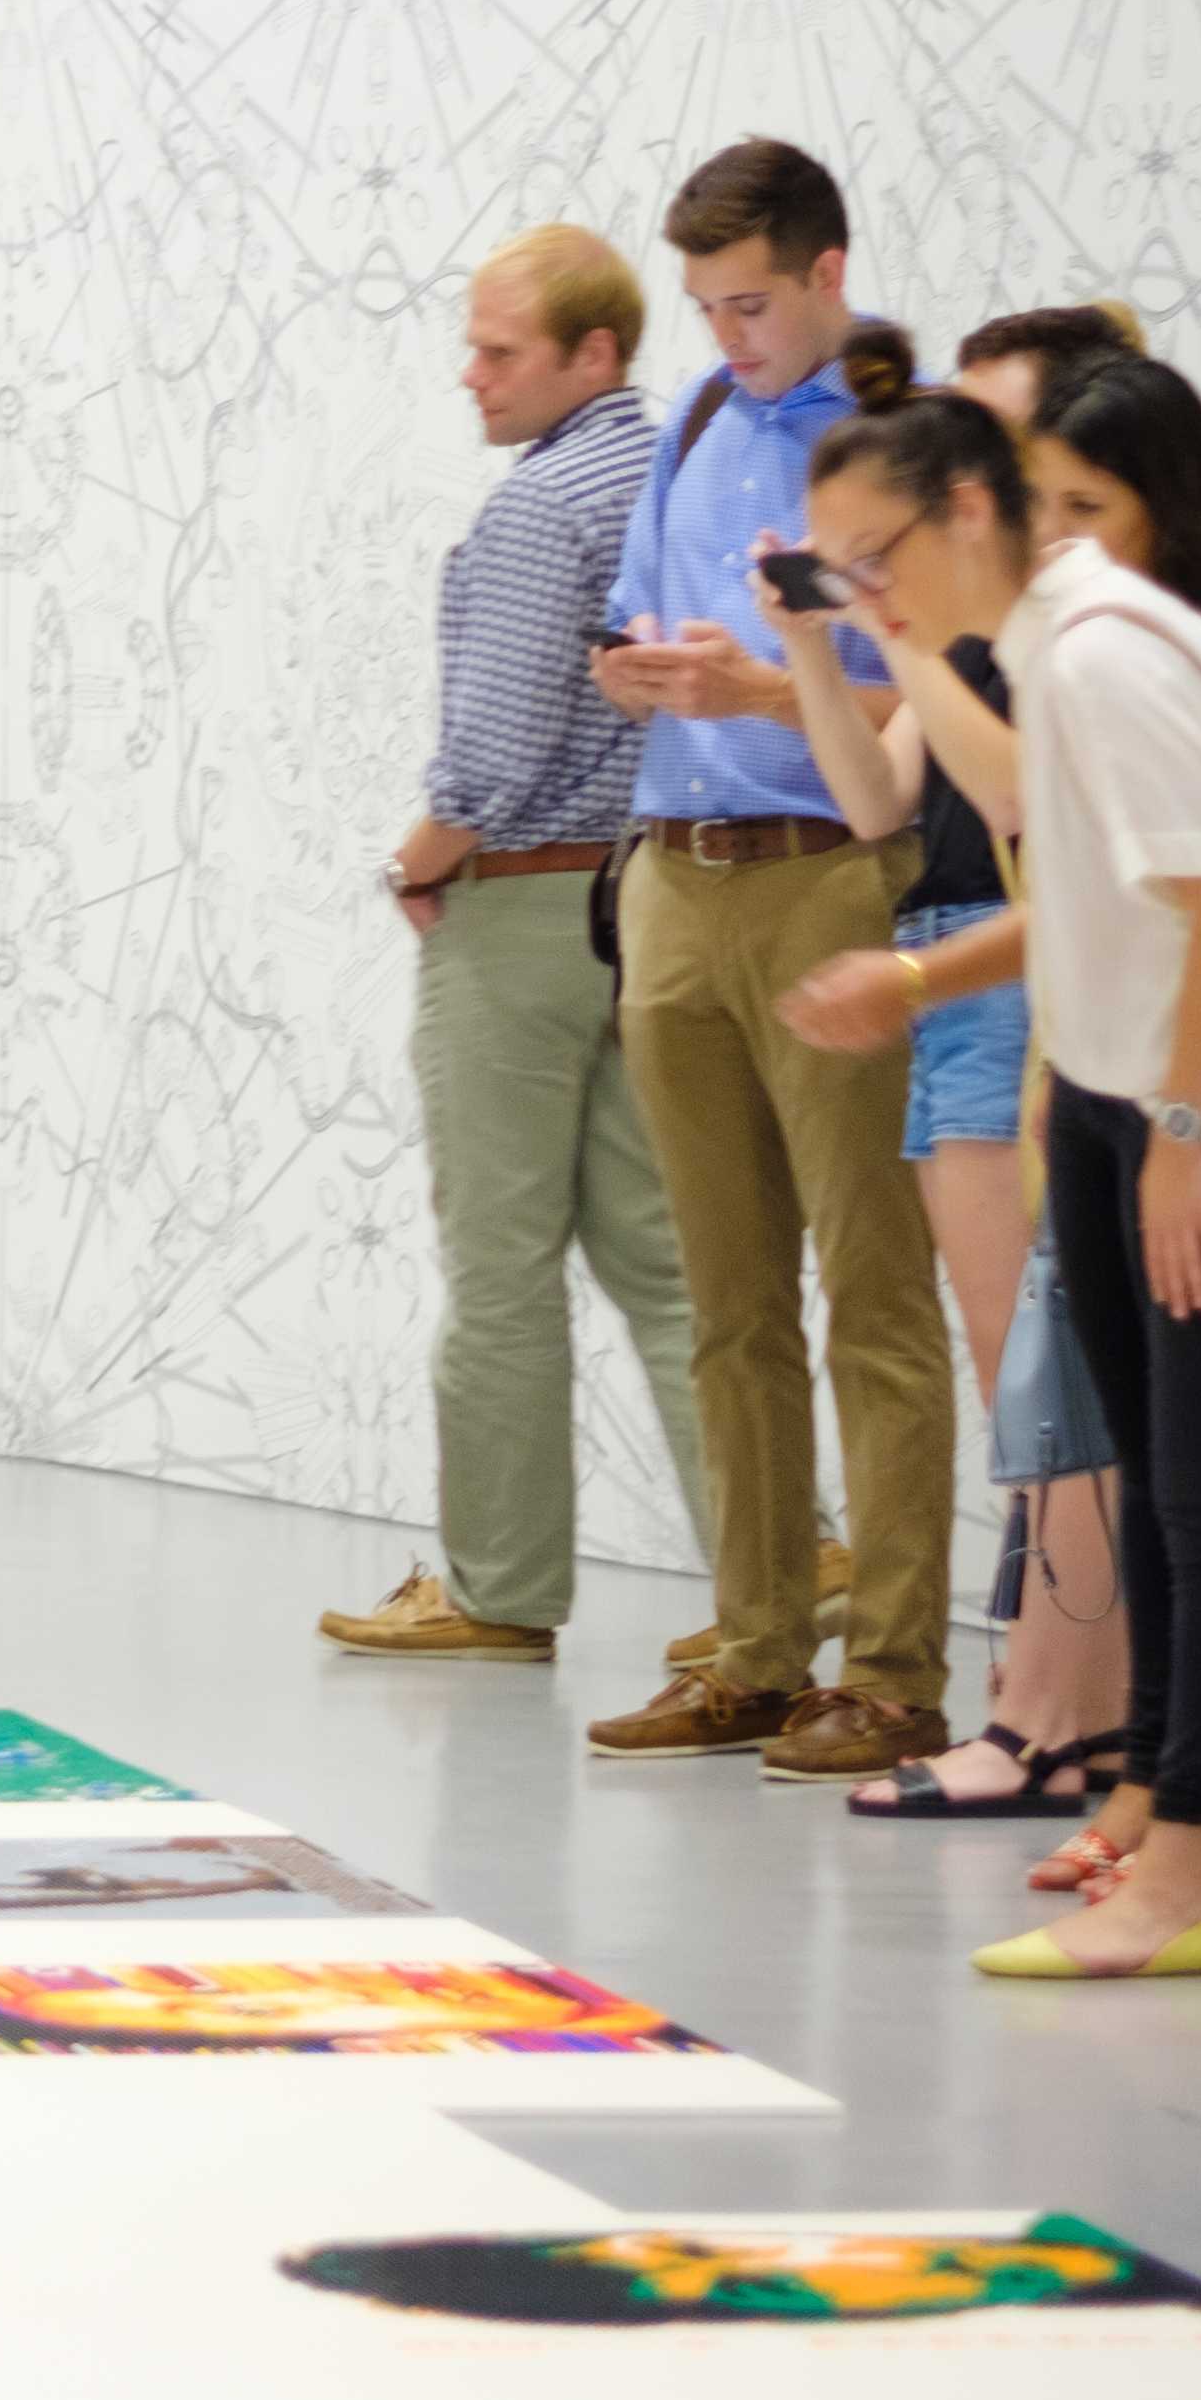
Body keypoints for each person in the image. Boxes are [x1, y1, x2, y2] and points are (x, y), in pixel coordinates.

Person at [761, 349, 1201, 1979]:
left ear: (973, 509)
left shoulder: (1094, 644)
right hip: (1128, 1084)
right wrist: (915, 979)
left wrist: (1177, 1137)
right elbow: (1062, 835)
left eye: (885, 555)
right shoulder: (1056, 629)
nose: (877, 589)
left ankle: (1186, 1862)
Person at [578, 139, 956, 1779]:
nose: (729, 335)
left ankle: (892, 1668)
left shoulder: (899, 451)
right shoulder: (701, 416)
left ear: (828, 271)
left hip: (829, 879)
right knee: (724, 1305)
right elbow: (623, 632)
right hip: (674, 873)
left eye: (751, 303)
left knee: (870, 1290)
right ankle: (751, 1647)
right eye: (706, 307)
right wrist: (641, 678)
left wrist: (765, 694)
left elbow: (944, 706)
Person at [741, 302, 1148, 1809]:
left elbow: (1052, 820)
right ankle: (1050, 1706)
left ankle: (1061, 1719)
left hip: (1015, 961)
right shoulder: (982, 631)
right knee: (1033, 1381)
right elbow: (874, 806)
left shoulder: (1095, 625)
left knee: (1052, 1378)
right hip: (960, 956)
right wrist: (808, 644)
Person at [327, 227, 720, 1664]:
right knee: (671, 1269)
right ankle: (773, 1591)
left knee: (497, 1267)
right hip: (657, 903)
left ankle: (499, 1589)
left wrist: (413, 860)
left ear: (593, 353)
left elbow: (490, 753)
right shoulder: (679, 469)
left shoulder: (539, 509)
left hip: (527, 910)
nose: (469, 377)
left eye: (500, 352)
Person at [981, 348, 1201, 1908]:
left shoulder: (1183, 649)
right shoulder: (1094, 640)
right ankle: (1188, 1797)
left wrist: (1181, 1124)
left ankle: (1196, 1815)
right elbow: (1078, 873)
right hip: (1141, 1086)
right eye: (1036, 502)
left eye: (1086, 503)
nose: (1056, 533)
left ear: (1162, 500)